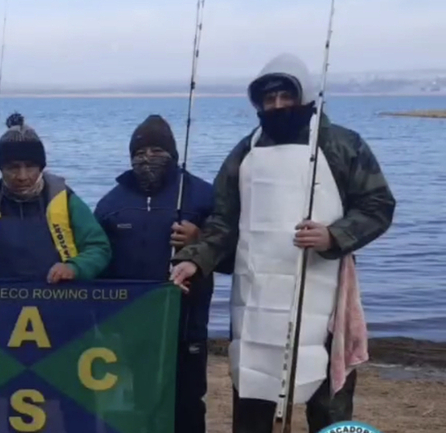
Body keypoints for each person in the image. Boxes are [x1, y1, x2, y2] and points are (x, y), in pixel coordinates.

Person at [169, 53, 396, 433]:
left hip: (322, 295)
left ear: (305, 97)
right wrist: (195, 258)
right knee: (254, 391)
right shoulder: (245, 152)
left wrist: (334, 234)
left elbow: (378, 205)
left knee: (327, 401)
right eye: (268, 99)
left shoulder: (343, 145)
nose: (276, 106)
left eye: (285, 96)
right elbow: (223, 221)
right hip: (255, 301)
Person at [94, 114, 215, 433]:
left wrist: (198, 241)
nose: (148, 158)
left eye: (157, 151)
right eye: (140, 152)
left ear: (173, 155)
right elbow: (97, 261)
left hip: (187, 322)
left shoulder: (202, 195)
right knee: (138, 398)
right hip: (131, 326)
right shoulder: (111, 203)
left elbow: (229, 255)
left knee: (188, 400)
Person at [0, 112, 111, 281]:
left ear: (41, 167)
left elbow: (99, 248)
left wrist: (75, 267)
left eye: (30, 166)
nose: (22, 176)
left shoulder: (65, 200)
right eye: (13, 167)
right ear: (1, 169)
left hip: (62, 300)